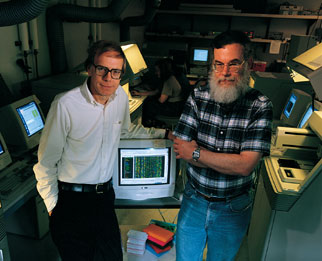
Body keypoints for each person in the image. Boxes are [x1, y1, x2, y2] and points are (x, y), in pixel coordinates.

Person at [33, 40, 173, 261]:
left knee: (112, 257)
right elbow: (45, 163)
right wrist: (53, 208)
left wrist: (163, 134)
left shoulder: (119, 100)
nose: (109, 78)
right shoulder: (65, 105)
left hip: (104, 197)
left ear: (121, 74)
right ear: (89, 69)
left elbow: (125, 131)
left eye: (116, 72)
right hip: (71, 201)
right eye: (102, 69)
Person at [173, 30, 273, 261]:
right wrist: (227, 160)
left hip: (232, 209)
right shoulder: (198, 96)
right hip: (194, 201)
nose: (225, 72)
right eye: (218, 64)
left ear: (247, 64)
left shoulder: (260, 106)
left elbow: (245, 166)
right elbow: (181, 147)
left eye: (233, 64)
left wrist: (196, 152)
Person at [132, 58, 185, 127]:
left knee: (148, 106)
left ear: (163, 71)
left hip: (174, 108)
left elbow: (161, 100)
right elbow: (155, 92)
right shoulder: (170, 78)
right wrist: (139, 93)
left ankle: (147, 125)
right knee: (149, 102)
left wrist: (148, 97)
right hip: (177, 106)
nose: (156, 73)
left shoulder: (168, 81)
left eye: (157, 71)